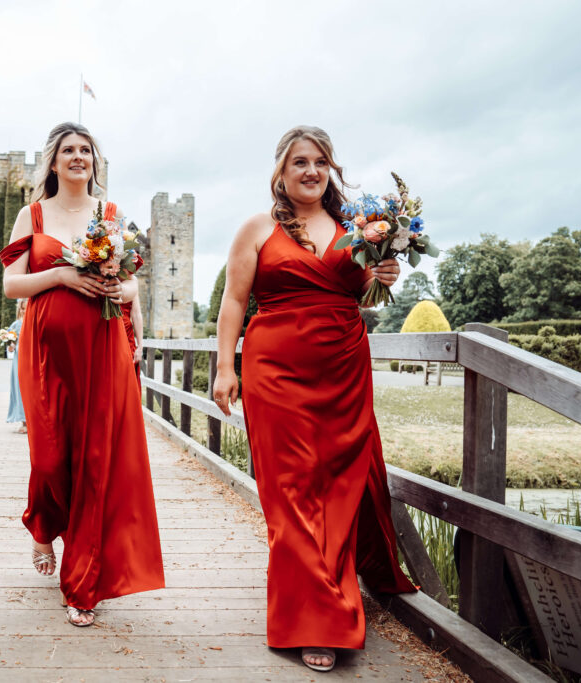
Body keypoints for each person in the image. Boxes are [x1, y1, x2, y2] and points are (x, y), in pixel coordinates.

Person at [212, 126, 416, 672]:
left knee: (339, 486)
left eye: (320, 162)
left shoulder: (359, 228)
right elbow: (234, 301)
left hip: (343, 368)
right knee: (291, 489)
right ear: (280, 171)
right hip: (274, 371)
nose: (311, 171)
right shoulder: (257, 228)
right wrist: (223, 369)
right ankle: (317, 620)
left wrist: (384, 275)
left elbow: (367, 292)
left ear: (332, 169)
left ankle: (325, 596)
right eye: (299, 162)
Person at [0, 122, 165, 627]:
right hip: (47, 350)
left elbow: (135, 284)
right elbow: (11, 285)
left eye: (85, 151)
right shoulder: (32, 215)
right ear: (52, 163)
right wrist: (62, 275)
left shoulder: (111, 216)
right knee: (50, 458)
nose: (77, 157)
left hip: (103, 344)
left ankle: (83, 583)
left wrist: (125, 291)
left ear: (94, 162)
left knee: (96, 461)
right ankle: (42, 525)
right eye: (68, 150)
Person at [6, 298, 27, 432]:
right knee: (20, 387)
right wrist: (11, 346)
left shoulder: (35, 322)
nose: (24, 311)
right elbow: (10, 344)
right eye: (22, 308)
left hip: (32, 357)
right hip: (19, 359)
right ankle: (23, 421)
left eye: (26, 308)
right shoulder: (16, 325)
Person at [119, 293, 144, 388]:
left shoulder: (131, 280)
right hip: (103, 331)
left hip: (126, 336)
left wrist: (140, 347)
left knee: (127, 377)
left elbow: (136, 314)